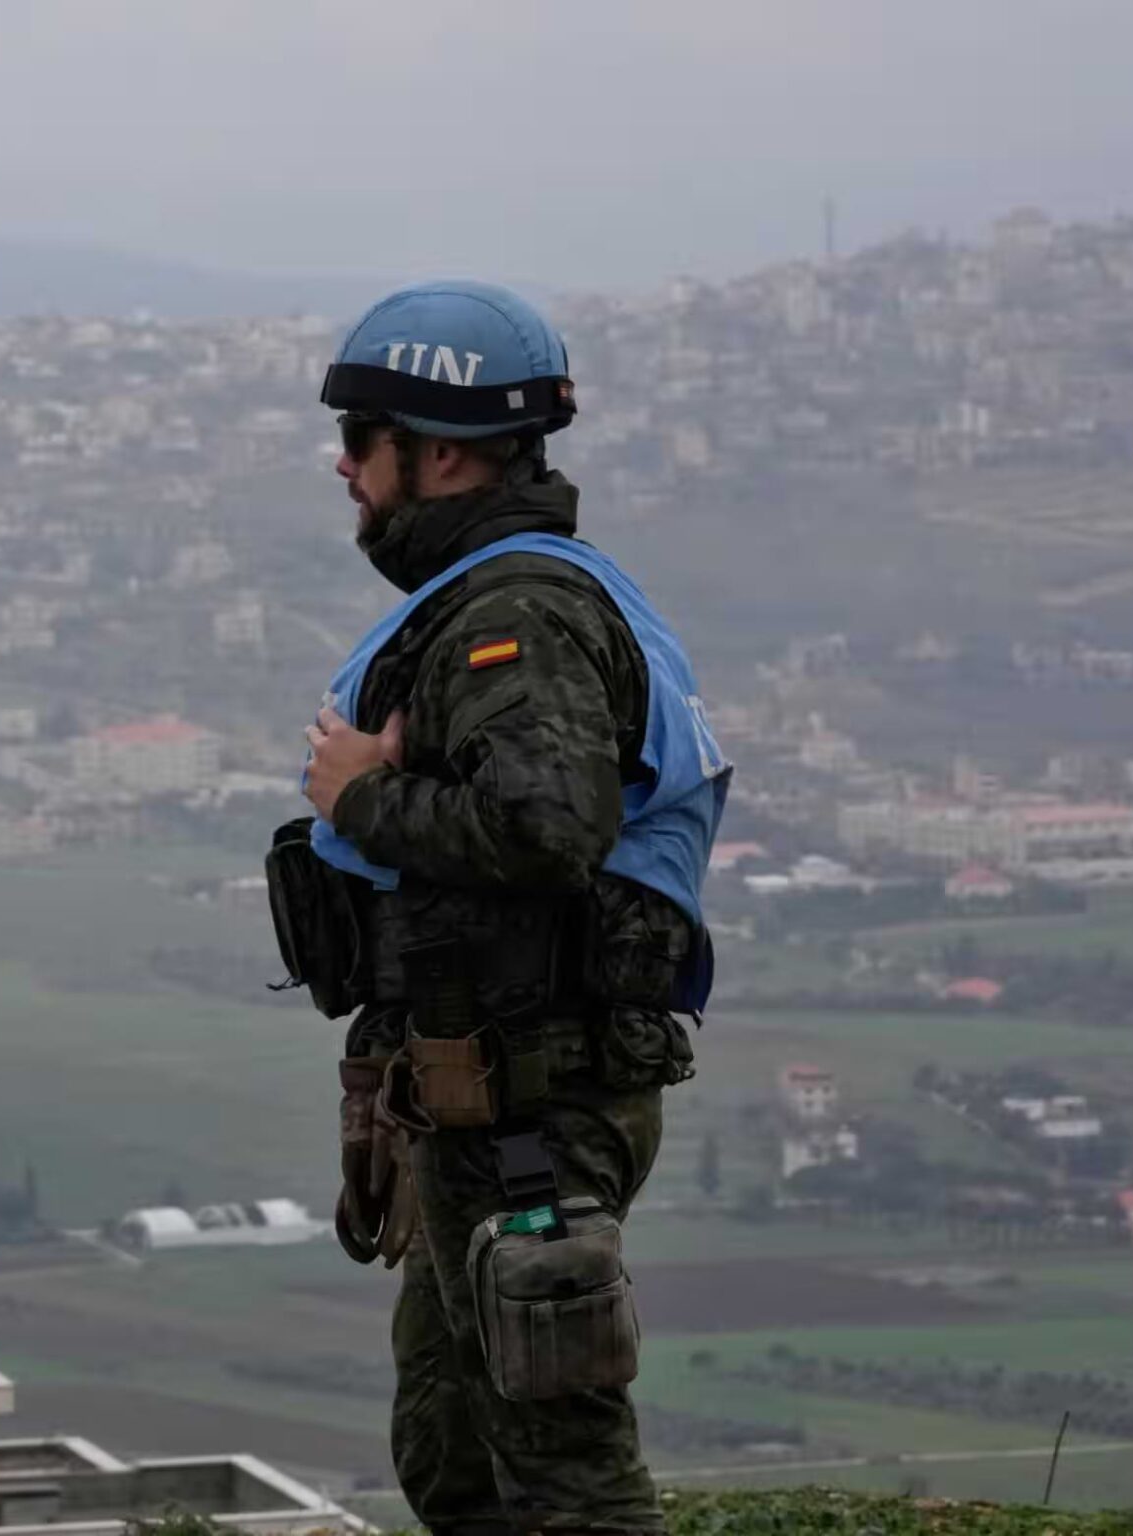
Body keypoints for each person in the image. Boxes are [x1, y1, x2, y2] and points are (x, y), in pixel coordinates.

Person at [284, 281, 729, 1536]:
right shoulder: (500, 593)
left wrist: (359, 797)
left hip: (534, 1103)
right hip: (484, 1098)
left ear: (434, 453)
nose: (342, 467)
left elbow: (546, 833)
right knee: (458, 1454)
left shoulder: (513, 614)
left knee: (557, 1477)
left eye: (359, 441)